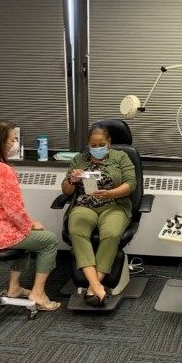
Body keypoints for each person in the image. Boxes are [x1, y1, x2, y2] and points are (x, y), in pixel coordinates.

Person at [0, 119, 60, 311]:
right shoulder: (2, 170)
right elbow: (14, 210)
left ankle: (14, 288)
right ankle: (38, 293)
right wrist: (31, 225)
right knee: (48, 240)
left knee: (27, 235)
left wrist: (26, 226)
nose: (12, 145)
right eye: (11, 141)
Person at [62, 124, 136, 306]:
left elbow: (131, 184)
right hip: (85, 205)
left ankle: (91, 288)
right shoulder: (79, 159)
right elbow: (66, 190)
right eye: (93, 146)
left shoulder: (121, 157)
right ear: (88, 144)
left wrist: (110, 193)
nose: (97, 149)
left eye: (101, 144)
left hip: (114, 204)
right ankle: (97, 287)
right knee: (76, 231)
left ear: (109, 142)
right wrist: (73, 179)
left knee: (111, 234)